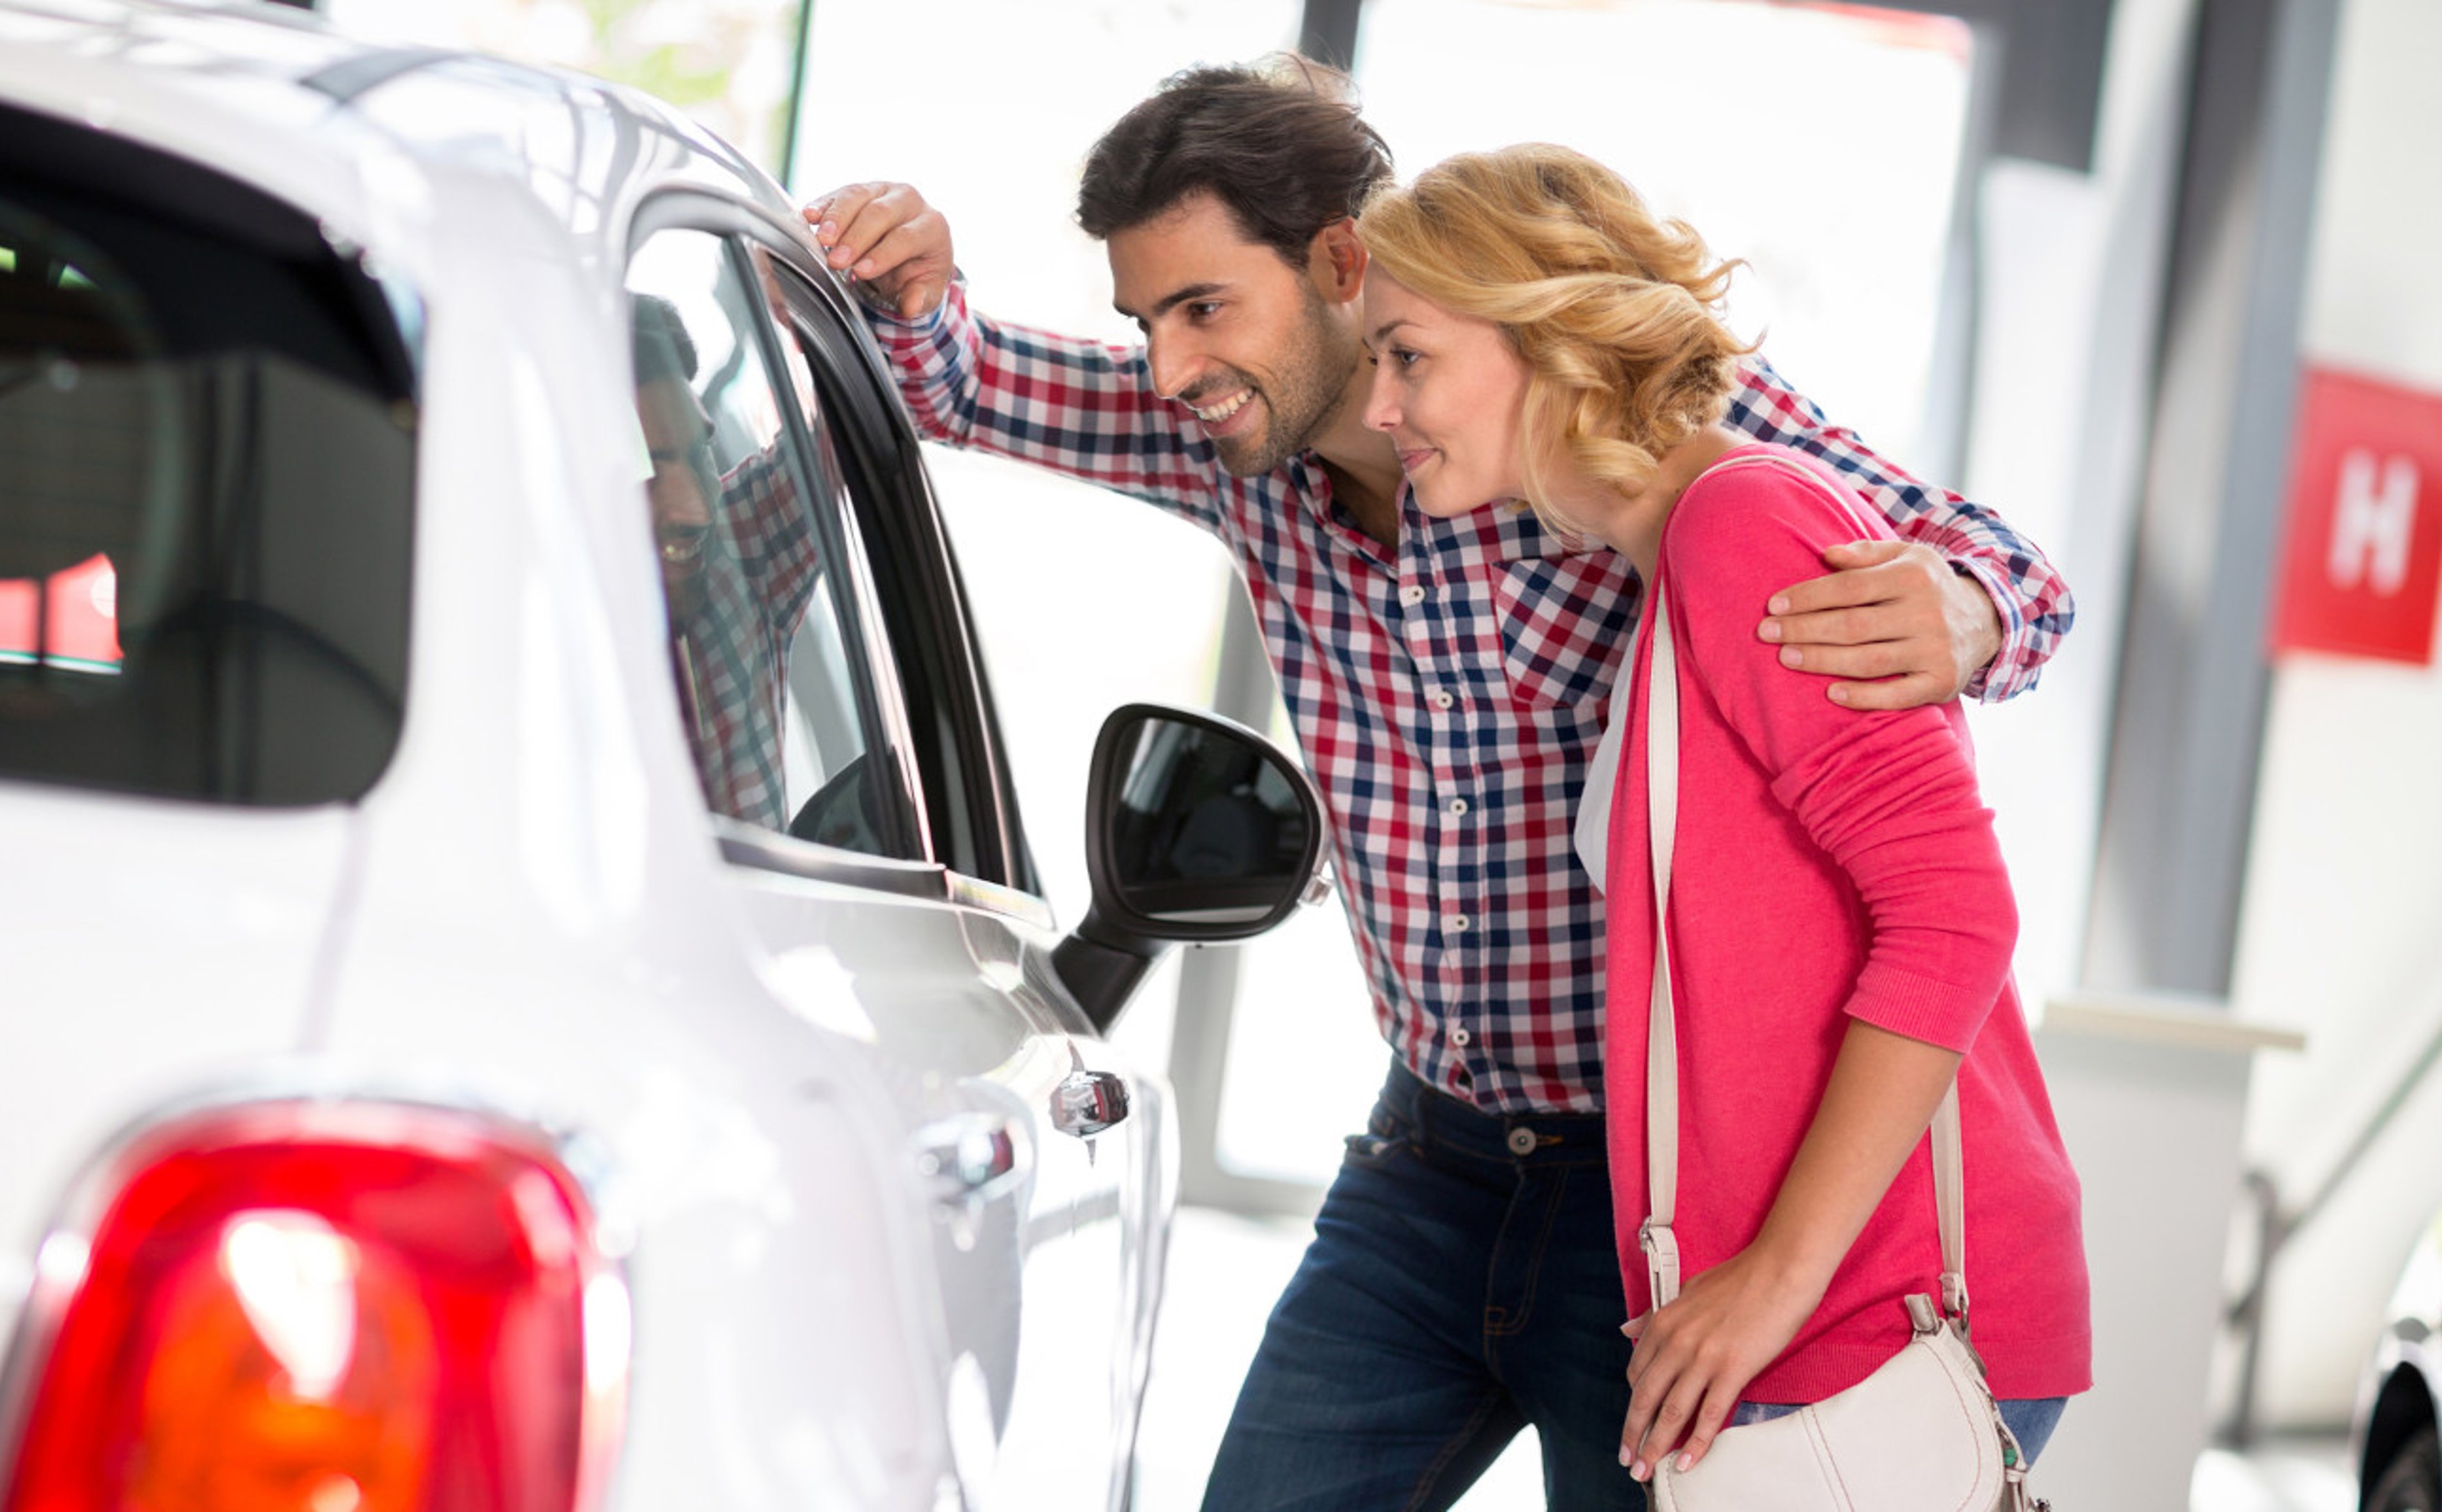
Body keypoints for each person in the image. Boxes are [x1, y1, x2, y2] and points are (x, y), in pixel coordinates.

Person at [807, 57, 2076, 1512]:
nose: (1166, 369)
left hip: (1653, 1193)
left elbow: (1996, 572)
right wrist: (908, 283)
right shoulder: (1234, 442)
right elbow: (963, 385)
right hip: (1429, 1160)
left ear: (1345, 265)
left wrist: (1971, 611)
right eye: (1143, 321)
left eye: (1203, 307)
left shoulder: (1624, 427)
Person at [1353, 139, 2091, 1487]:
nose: (1384, 406)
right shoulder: (1674, 556)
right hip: (1813, 1295)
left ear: (1546, 334)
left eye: (1407, 354)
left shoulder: (1739, 524)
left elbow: (1954, 912)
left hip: (1872, 1302)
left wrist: (1774, 1280)